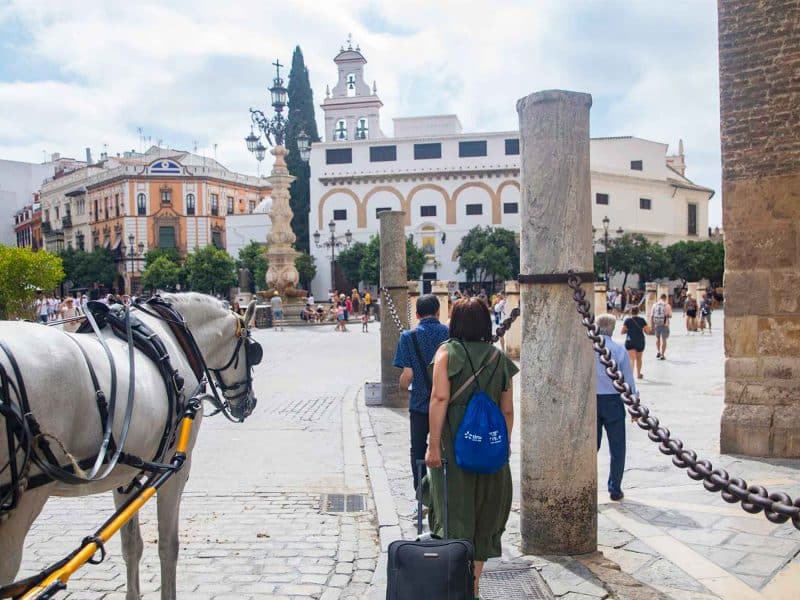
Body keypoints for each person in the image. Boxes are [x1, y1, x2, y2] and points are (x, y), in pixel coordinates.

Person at [424, 297, 518, 599]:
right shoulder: (498, 358)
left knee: (455, 513)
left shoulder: (446, 353)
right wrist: (501, 447)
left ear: (455, 323)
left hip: (453, 450)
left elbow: (439, 399)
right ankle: (474, 583)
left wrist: (433, 445)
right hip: (490, 452)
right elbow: (508, 411)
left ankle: (458, 585)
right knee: (484, 516)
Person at [393, 295, 450, 499]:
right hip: (445, 405)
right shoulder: (449, 334)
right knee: (446, 450)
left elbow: (407, 376)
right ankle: (444, 494)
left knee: (418, 451)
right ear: (438, 312)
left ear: (417, 314)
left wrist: (402, 387)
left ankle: (422, 496)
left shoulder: (408, 337)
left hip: (419, 405)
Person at [595, 313, 636, 501]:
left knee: (589, 448)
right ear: (612, 329)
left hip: (591, 403)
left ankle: (586, 484)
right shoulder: (619, 350)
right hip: (613, 402)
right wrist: (634, 406)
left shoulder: (588, 348)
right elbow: (628, 381)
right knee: (617, 448)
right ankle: (615, 488)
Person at [621, 306, 647, 379]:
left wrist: (628, 330)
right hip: (639, 341)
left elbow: (622, 332)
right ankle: (638, 374)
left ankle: (630, 375)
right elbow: (647, 331)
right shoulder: (642, 320)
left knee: (631, 359)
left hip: (630, 341)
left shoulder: (627, 320)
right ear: (638, 312)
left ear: (630, 312)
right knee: (639, 359)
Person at [649, 293, 673, 360]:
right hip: (665, 324)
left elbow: (651, 316)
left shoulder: (654, 305)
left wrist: (652, 326)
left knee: (657, 338)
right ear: (665, 298)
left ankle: (658, 351)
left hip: (656, 324)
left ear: (660, 298)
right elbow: (670, 316)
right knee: (664, 339)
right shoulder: (667, 305)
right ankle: (662, 354)